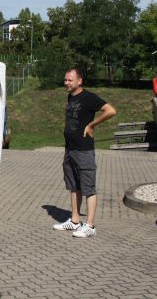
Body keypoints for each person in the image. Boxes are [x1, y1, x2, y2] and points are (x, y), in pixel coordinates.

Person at [53, 67, 116, 238]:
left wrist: (91, 125)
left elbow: (111, 111)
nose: (66, 83)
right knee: (73, 186)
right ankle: (75, 221)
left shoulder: (89, 97)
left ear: (79, 81)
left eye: (70, 80)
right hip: (70, 149)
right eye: (65, 80)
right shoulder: (70, 97)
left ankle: (90, 225)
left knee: (88, 188)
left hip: (84, 150)